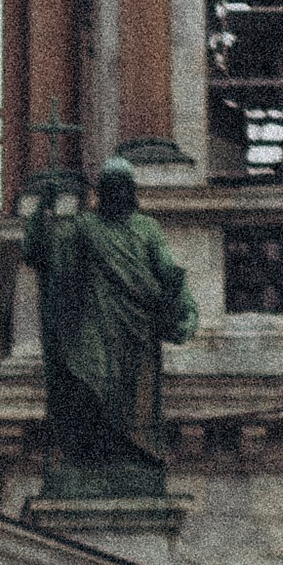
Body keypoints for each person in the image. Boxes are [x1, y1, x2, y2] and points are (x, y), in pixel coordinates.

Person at [22, 158, 198, 498]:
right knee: (89, 381)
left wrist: (178, 296)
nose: (116, 194)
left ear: (130, 192)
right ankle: (89, 455)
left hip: (136, 328)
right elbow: (45, 251)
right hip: (94, 321)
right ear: (101, 193)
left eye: (122, 187)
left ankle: (127, 456)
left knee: (132, 397)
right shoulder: (85, 226)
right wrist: (45, 205)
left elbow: (164, 267)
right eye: (109, 188)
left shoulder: (147, 228)